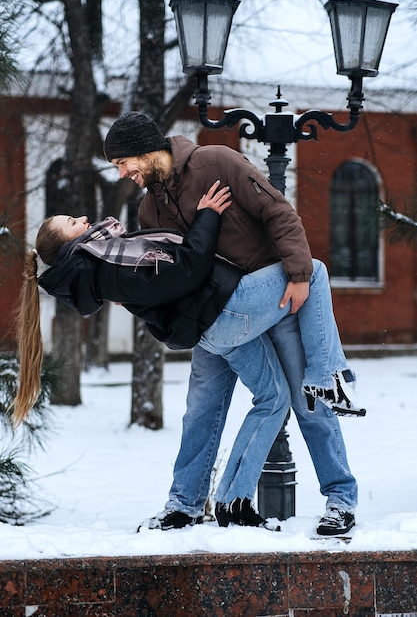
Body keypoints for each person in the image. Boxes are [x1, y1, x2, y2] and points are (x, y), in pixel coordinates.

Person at [13, 184, 363, 535]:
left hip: (217, 315)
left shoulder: (109, 255)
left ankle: (227, 502)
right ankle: (326, 382)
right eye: (73, 222)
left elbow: (160, 277)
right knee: (311, 290)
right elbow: (185, 269)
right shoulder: (111, 257)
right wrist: (208, 216)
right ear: (71, 247)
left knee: (278, 403)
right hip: (231, 306)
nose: (84, 218)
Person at [102, 112, 362, 536]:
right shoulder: (150, 208)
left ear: (147, 150)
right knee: (201, 411)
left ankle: (340, 499)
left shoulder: (218, 162)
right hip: (215, 317)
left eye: (123, 162)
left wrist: (297, 274)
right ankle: (183, 505)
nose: (123, 173)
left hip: (274, 301)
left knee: (306, 399)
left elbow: (277, 211)